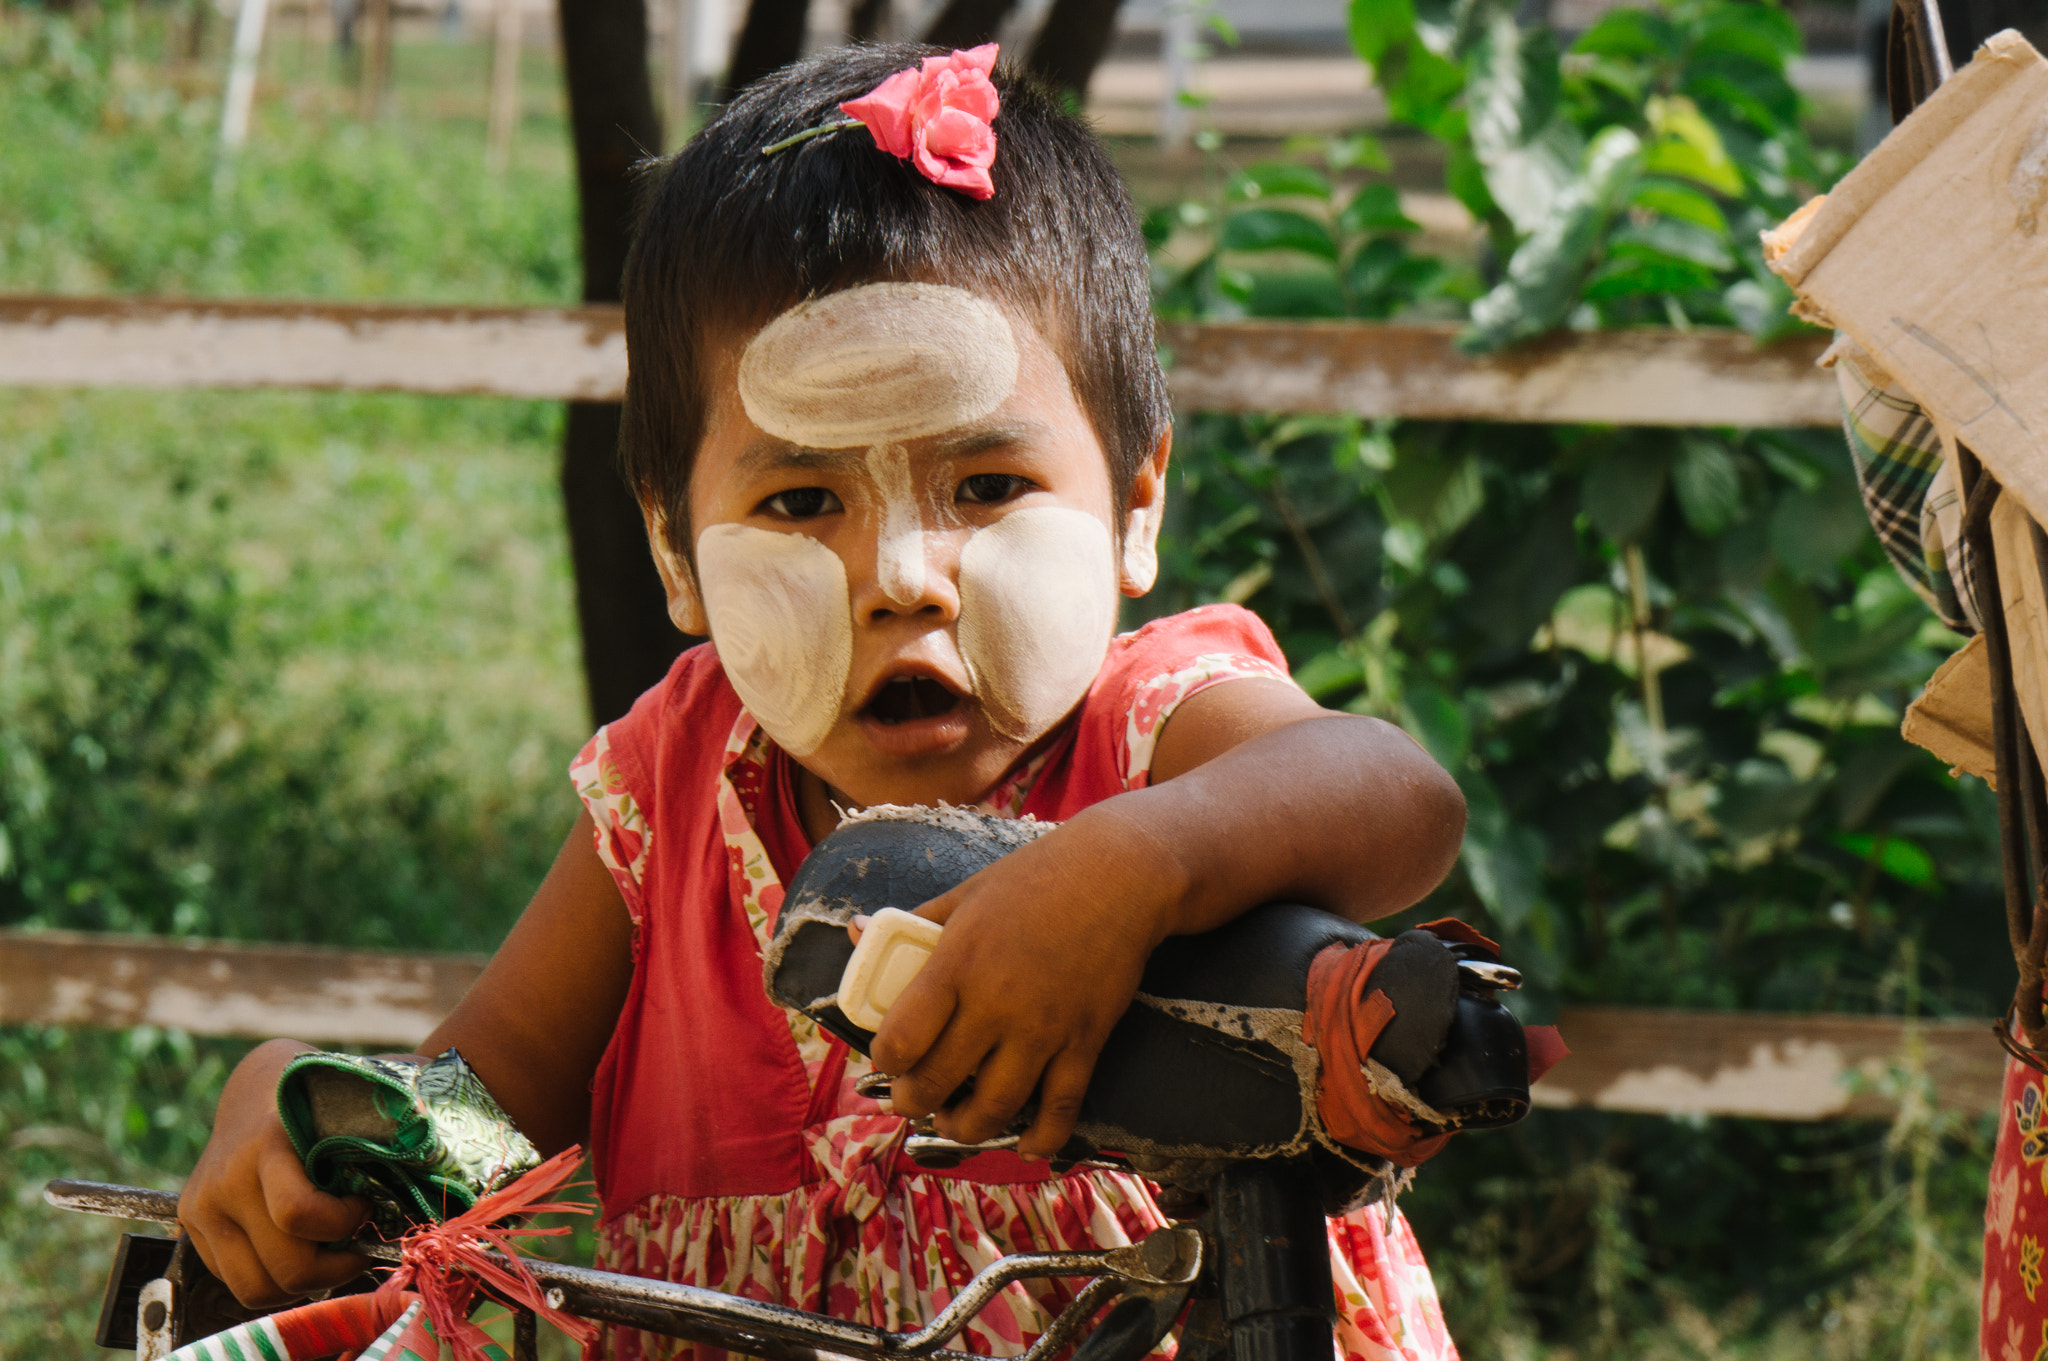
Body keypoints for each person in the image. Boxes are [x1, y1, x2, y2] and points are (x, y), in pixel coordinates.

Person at [175, 43, 1470, 1361]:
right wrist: (306, 1112)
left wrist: (1135, 868)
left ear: (1137, 506)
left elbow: (1401, 798)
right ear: (679, 554)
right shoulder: (668, 791)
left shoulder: (1150, 730)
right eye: (802, 502)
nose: (902, 579)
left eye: (987, 488)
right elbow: (476, 1124)